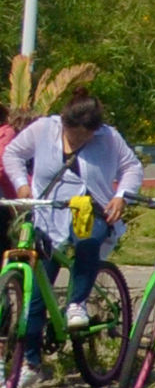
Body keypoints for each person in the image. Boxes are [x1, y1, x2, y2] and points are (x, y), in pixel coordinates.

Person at [2, 92, 141, 357]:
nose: (76, 140)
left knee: (87, 241)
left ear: (94, 131)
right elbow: (13, 154)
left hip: (94, 210)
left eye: (83, 136)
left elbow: (132, 167)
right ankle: (31, 361)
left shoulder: (109, 138)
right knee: (37, 288)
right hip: (49, 213)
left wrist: (121, 196)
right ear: (63, 123)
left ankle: (77, 303)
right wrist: (21, 184)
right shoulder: (44, 129)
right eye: (72, 134)